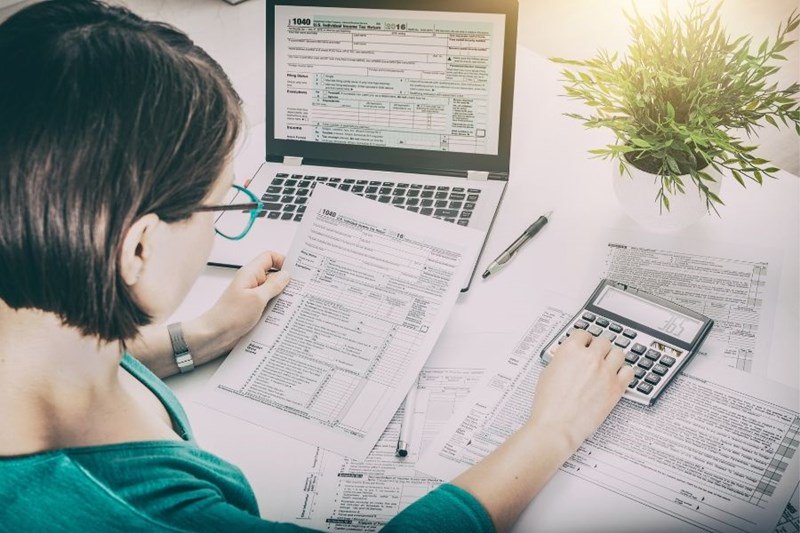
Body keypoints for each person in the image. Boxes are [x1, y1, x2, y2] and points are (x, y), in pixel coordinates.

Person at [0, 1, 635, 531]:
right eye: (224, 202)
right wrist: (555, 429)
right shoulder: (132, 512)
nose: (230, 215)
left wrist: (199, 337)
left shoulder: (36, 325)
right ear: (139, 248)